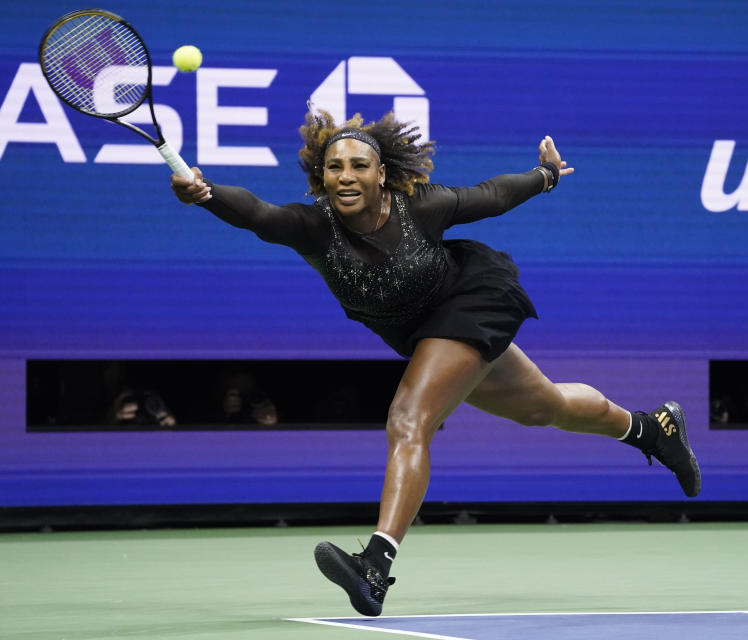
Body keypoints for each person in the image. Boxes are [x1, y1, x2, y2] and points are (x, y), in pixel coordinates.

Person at [170, 110, 701, 617]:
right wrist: (207, 193)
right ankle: (653, 429)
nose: (347, 176)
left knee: (408, 421)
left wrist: (545, 175)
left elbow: (490, 196)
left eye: (359, 166)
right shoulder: (312, 227)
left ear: (383, 174)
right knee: (547, 406)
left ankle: (374, 566)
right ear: (321, 176)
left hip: (469, 303)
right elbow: (257, 213)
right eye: (335, 167)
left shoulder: (418, 207)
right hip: (424, 335)